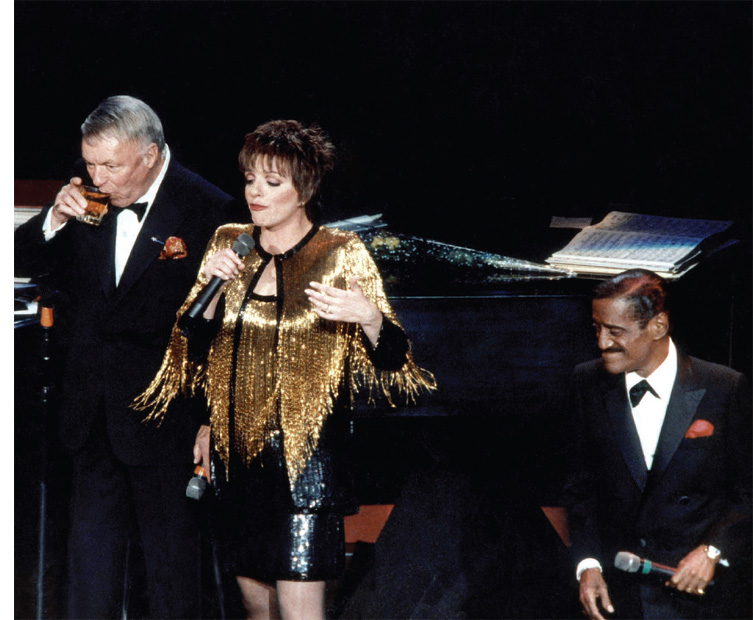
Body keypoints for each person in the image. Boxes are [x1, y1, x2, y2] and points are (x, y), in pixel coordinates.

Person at [134, 119, 436, 620]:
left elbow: (395, 361)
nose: (255, 191)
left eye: (272, 182)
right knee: (257, 611)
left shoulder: (340, 253)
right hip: (237, 459)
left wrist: (367, 315)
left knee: (299, 612)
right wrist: (210, 294)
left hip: (304, 466)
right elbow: (194, 345)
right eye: (251, 178)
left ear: (305, 190)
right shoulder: (229, 241)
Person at [14, 95, 245, 619]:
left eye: (110, 166)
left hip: (168, 421)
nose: (98, 176)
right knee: (89, 571)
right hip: (90, 414)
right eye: (90, 163)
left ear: (149, 154)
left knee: (171, 578)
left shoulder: (211, 209)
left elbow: (225, 333)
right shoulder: (88, 193)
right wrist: (52, 216)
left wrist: (212, 421)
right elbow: (22, 257)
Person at [563, 269, 751, 620]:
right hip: (621, 596)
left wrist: (712, 551)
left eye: (615, 331)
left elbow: (748, 492)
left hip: (701, 596)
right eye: (597, 328)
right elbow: (580, 488)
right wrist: (587, 565)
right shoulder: (585, 382)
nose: (602, 342)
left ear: (658, 327)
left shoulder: (725, 388)